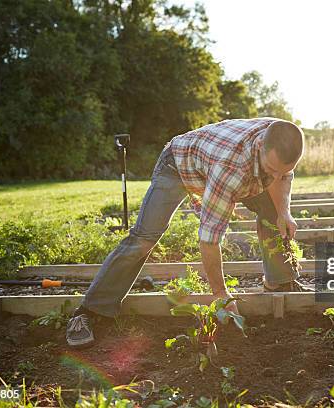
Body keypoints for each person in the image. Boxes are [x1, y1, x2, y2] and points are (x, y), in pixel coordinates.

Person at [66, 118, 306, 347]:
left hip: (213, 161)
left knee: (273, 209)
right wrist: (221, 294)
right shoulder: (231, 169)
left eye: (282, 171)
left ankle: (279, 282)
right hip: (177, 165)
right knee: (144, 239)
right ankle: (90, 311)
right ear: (261, 145)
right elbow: (209, 239)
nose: (275, 177)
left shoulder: (282, 136)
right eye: (271, 169)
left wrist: (284, 212)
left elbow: (282, 175)